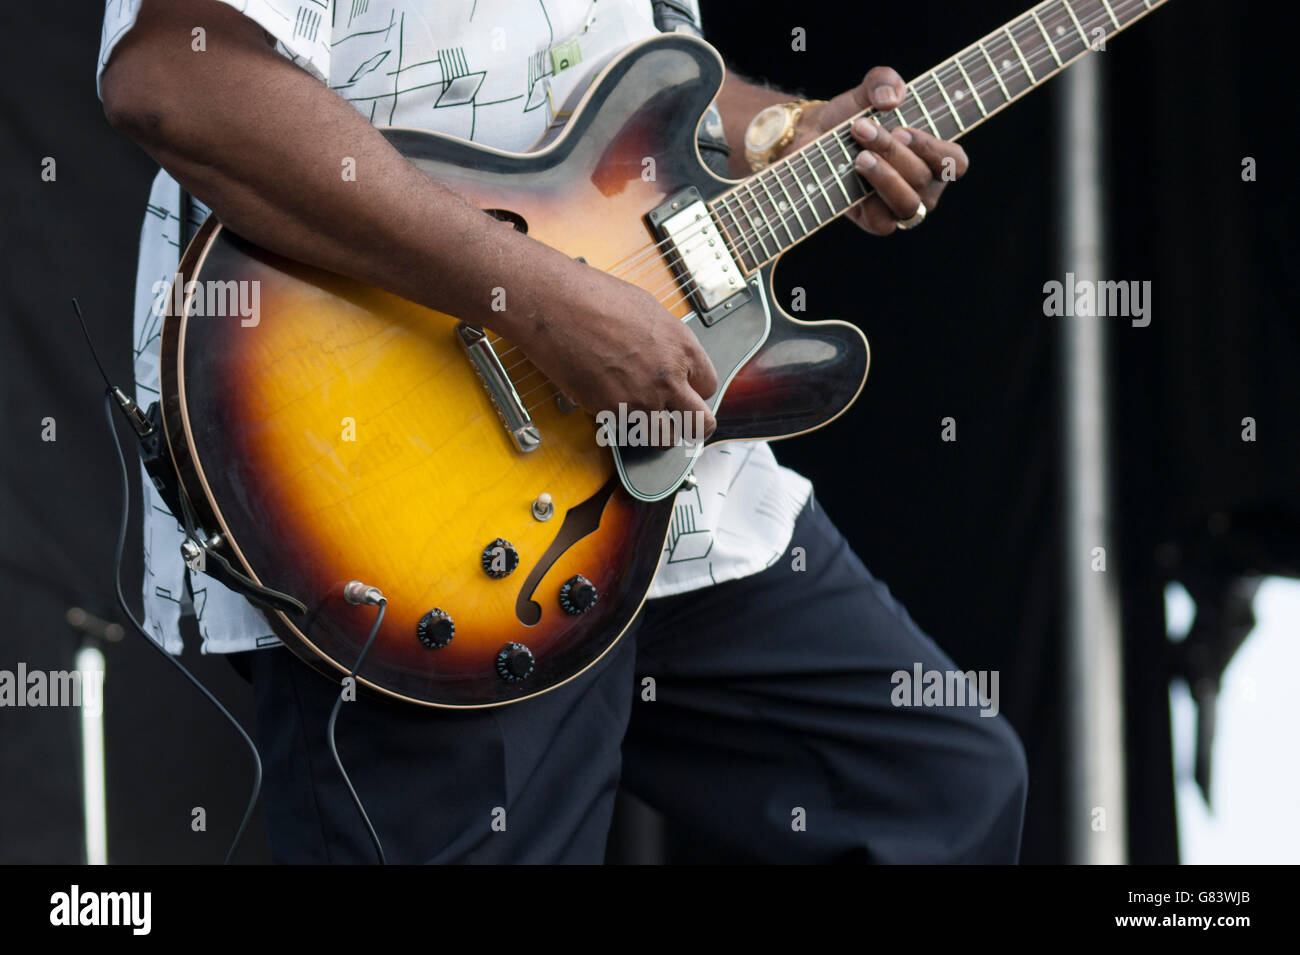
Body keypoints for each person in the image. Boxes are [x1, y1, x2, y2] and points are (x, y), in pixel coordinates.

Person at [97, 0, 1027, 863]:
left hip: (674, 494)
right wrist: (544, 306)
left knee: (943, 794)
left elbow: (623, 73)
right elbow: (179, 80)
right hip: (408, 494)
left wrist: (786, 132)